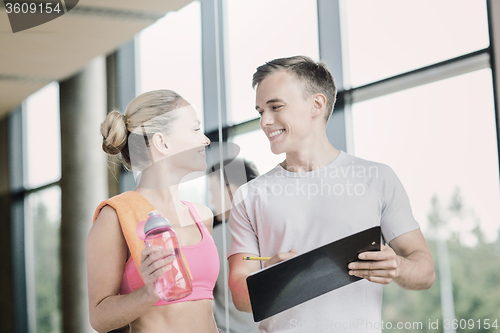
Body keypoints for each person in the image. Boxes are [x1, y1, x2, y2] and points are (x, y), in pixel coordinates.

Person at [227, 56, 436, 333]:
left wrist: (397, 265)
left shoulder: (376, 178)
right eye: (260, 111)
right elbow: (239, 297)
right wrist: (270, 279)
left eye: (275, 107)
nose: (265, 121)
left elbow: (425, 270)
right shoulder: (249, 196)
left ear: (317, 104)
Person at [87, 90, 221, 333]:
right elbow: (99, 317)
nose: (206, 140)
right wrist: (149, 293)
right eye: (194, 129)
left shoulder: (201, 216)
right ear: (162, 142)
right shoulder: (116, 216)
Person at [208, 158, 261, 333]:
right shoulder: (275, 230)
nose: (213, 202)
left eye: (213, 193)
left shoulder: (216, 237)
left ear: (231, 192)